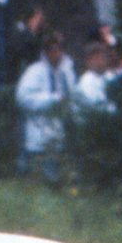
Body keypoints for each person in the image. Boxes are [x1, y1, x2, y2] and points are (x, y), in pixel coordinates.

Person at [15, 32, 75, 180]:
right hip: (39, 123)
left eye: (60, 49)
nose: (57, 54)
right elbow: (23, 98)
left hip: (61, 125)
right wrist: (52, 99)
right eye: (53, 50)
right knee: (37, 158)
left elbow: (73, 93)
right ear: (46, 52)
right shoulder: (35, 71)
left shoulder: (66, 71)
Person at [74, 40, 119, 119]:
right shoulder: (86, 82)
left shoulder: (110, 76)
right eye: (95, 58)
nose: (100, 61)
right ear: (88, 62)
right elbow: (97, 106)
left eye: (102, 57)